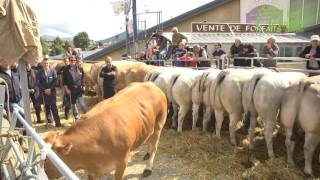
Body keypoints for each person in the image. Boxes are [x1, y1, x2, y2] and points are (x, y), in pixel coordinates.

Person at [37, 57, 62, 127]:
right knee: (46, 107)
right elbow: (38, 83)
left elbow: (55, 81)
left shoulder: (53, 71)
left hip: (52, 92)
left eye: (47, 63)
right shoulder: (39, 72)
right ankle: (49, 121)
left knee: (54, 107)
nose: (46, 65)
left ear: (49, 64)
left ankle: (58, 123)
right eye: (44, 63)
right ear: (42, 64)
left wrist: (50, 89)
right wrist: (44, 90)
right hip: (44, 92)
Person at [63, 55, 88, 120]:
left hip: (79, 89)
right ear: (69, 61)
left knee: (82, 104)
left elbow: (83, 78)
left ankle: (87, 115)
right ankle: (76, 117)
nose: (73, 62)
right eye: (71, 60)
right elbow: (64, 81)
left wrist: (84, 85)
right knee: (73, 105)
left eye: (74, 60)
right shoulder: (66, 69)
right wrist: (67, 89)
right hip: (71, 90)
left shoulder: (80, 68)